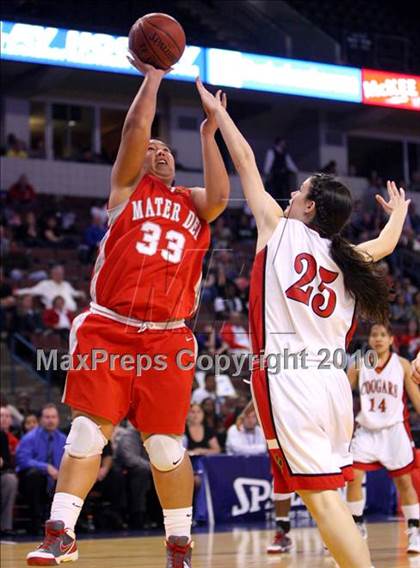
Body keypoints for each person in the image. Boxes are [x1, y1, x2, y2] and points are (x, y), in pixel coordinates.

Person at [196, 77, 409, 568]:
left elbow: (246, 161)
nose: (291, 192)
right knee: (328, 498)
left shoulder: (279, 227)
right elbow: (387, 245)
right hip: (334, 386)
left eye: (301, 190)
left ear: (309, 207)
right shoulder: (347, 255)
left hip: (288, 378)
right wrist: (399, 212)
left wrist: (219, 116)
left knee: (321, 502)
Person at [26, 52, 230, 567]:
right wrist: (154, 76)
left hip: (168, 335)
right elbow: (137, 128)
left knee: (164, 446)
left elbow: (224, 196)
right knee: (86, 431)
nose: (159, 152)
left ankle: (179, 546)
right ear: (138, 158)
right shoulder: (124, 190)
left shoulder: (194, 202)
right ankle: (59, 533)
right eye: (152, 148)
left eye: (166, 150)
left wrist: (208, 135)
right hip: (109, 327)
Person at [346, 323, 420, 553]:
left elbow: (415, 397)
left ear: (391, 340)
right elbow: (341, 394)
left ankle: (415, 532)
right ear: (369, 339)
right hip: (367, 429)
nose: (377, 338)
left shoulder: (402, 364)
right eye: (374, 335)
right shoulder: (358, 365)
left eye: (382, 335)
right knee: (354, 477)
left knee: (404, 482)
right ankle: (356, 527)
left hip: (394, 430)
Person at [16, 404, 66, 535]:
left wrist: (62, 472)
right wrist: (46, 467)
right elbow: (23, 460)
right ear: (41, 420)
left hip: (55, 480)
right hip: (31, 481)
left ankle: (66, 523)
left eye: (53, 417)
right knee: (35, 475)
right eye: (47, 417)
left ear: (58, 419)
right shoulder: (29, 438)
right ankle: (36, 522)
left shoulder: (63, 439)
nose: (50, 420)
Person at [15, 264, 85, 311]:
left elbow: (74, 293)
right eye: (57, 273)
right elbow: (31, 291)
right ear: (52, 274)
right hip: (54, 313)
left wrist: (81, 293)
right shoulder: (45, 284)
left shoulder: (66, 284)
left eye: (61, 274)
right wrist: (18, 292)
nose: (59, 275)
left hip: (71, 312)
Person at [263, 137, 298, 205]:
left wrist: (296, 171)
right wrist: (266, 173)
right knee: (275, 193)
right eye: (282, 142)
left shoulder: (285, 154)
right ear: (278, 143)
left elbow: (290, 164)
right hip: (275, 177)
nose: (284, 144)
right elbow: (268, 163)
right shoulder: (272, 152)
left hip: (283, 178)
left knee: (284, 193)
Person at [0, 429, 18, 540]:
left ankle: (5, 526)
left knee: (10, 479)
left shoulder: (1, 435)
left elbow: (8, 464)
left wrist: (2, 462)